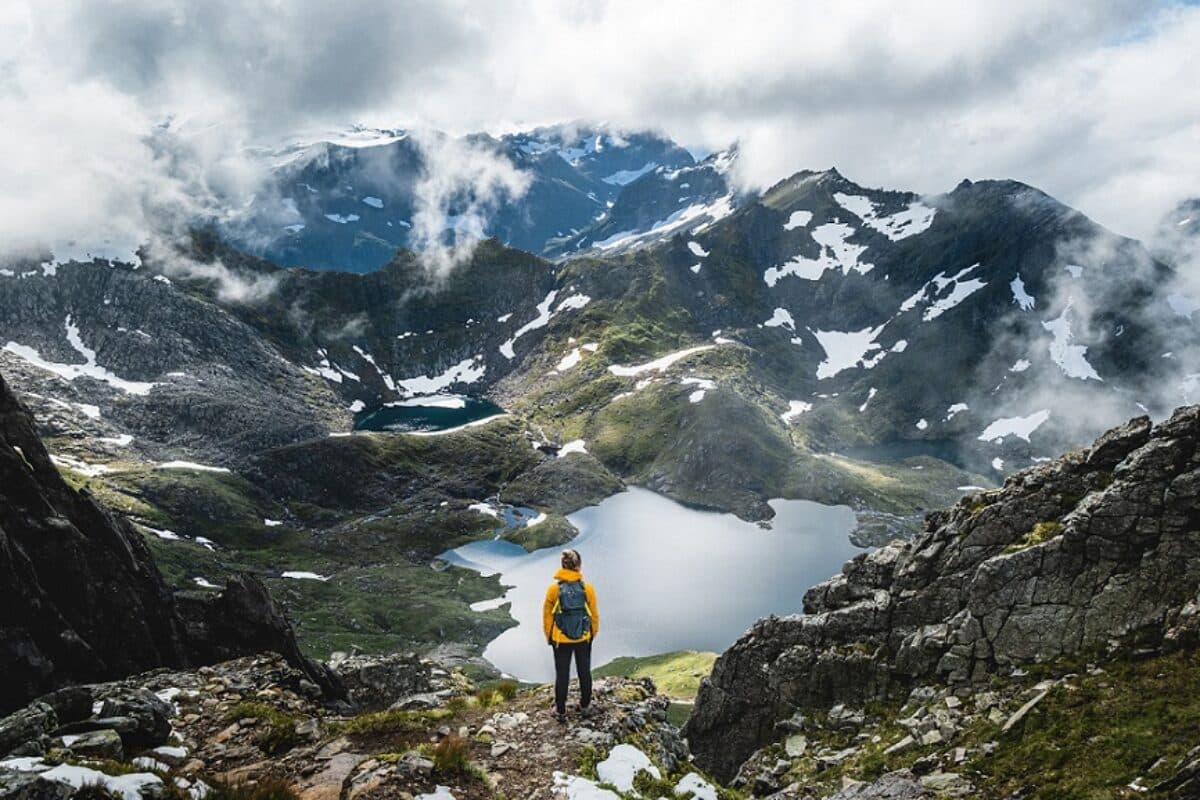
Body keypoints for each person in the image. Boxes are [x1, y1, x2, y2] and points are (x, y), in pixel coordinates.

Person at [543, 548, 599, 724]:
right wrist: (591, 634)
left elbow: (547, 616)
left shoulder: (554, 589)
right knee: (584, 671)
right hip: (583, 637)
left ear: (563, 565)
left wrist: (550, 637)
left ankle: (560, 710)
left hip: (561, 639)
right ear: (579, 566)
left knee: (562, 674)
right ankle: (585, 706)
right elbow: (594, 615)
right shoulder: (587, 588)